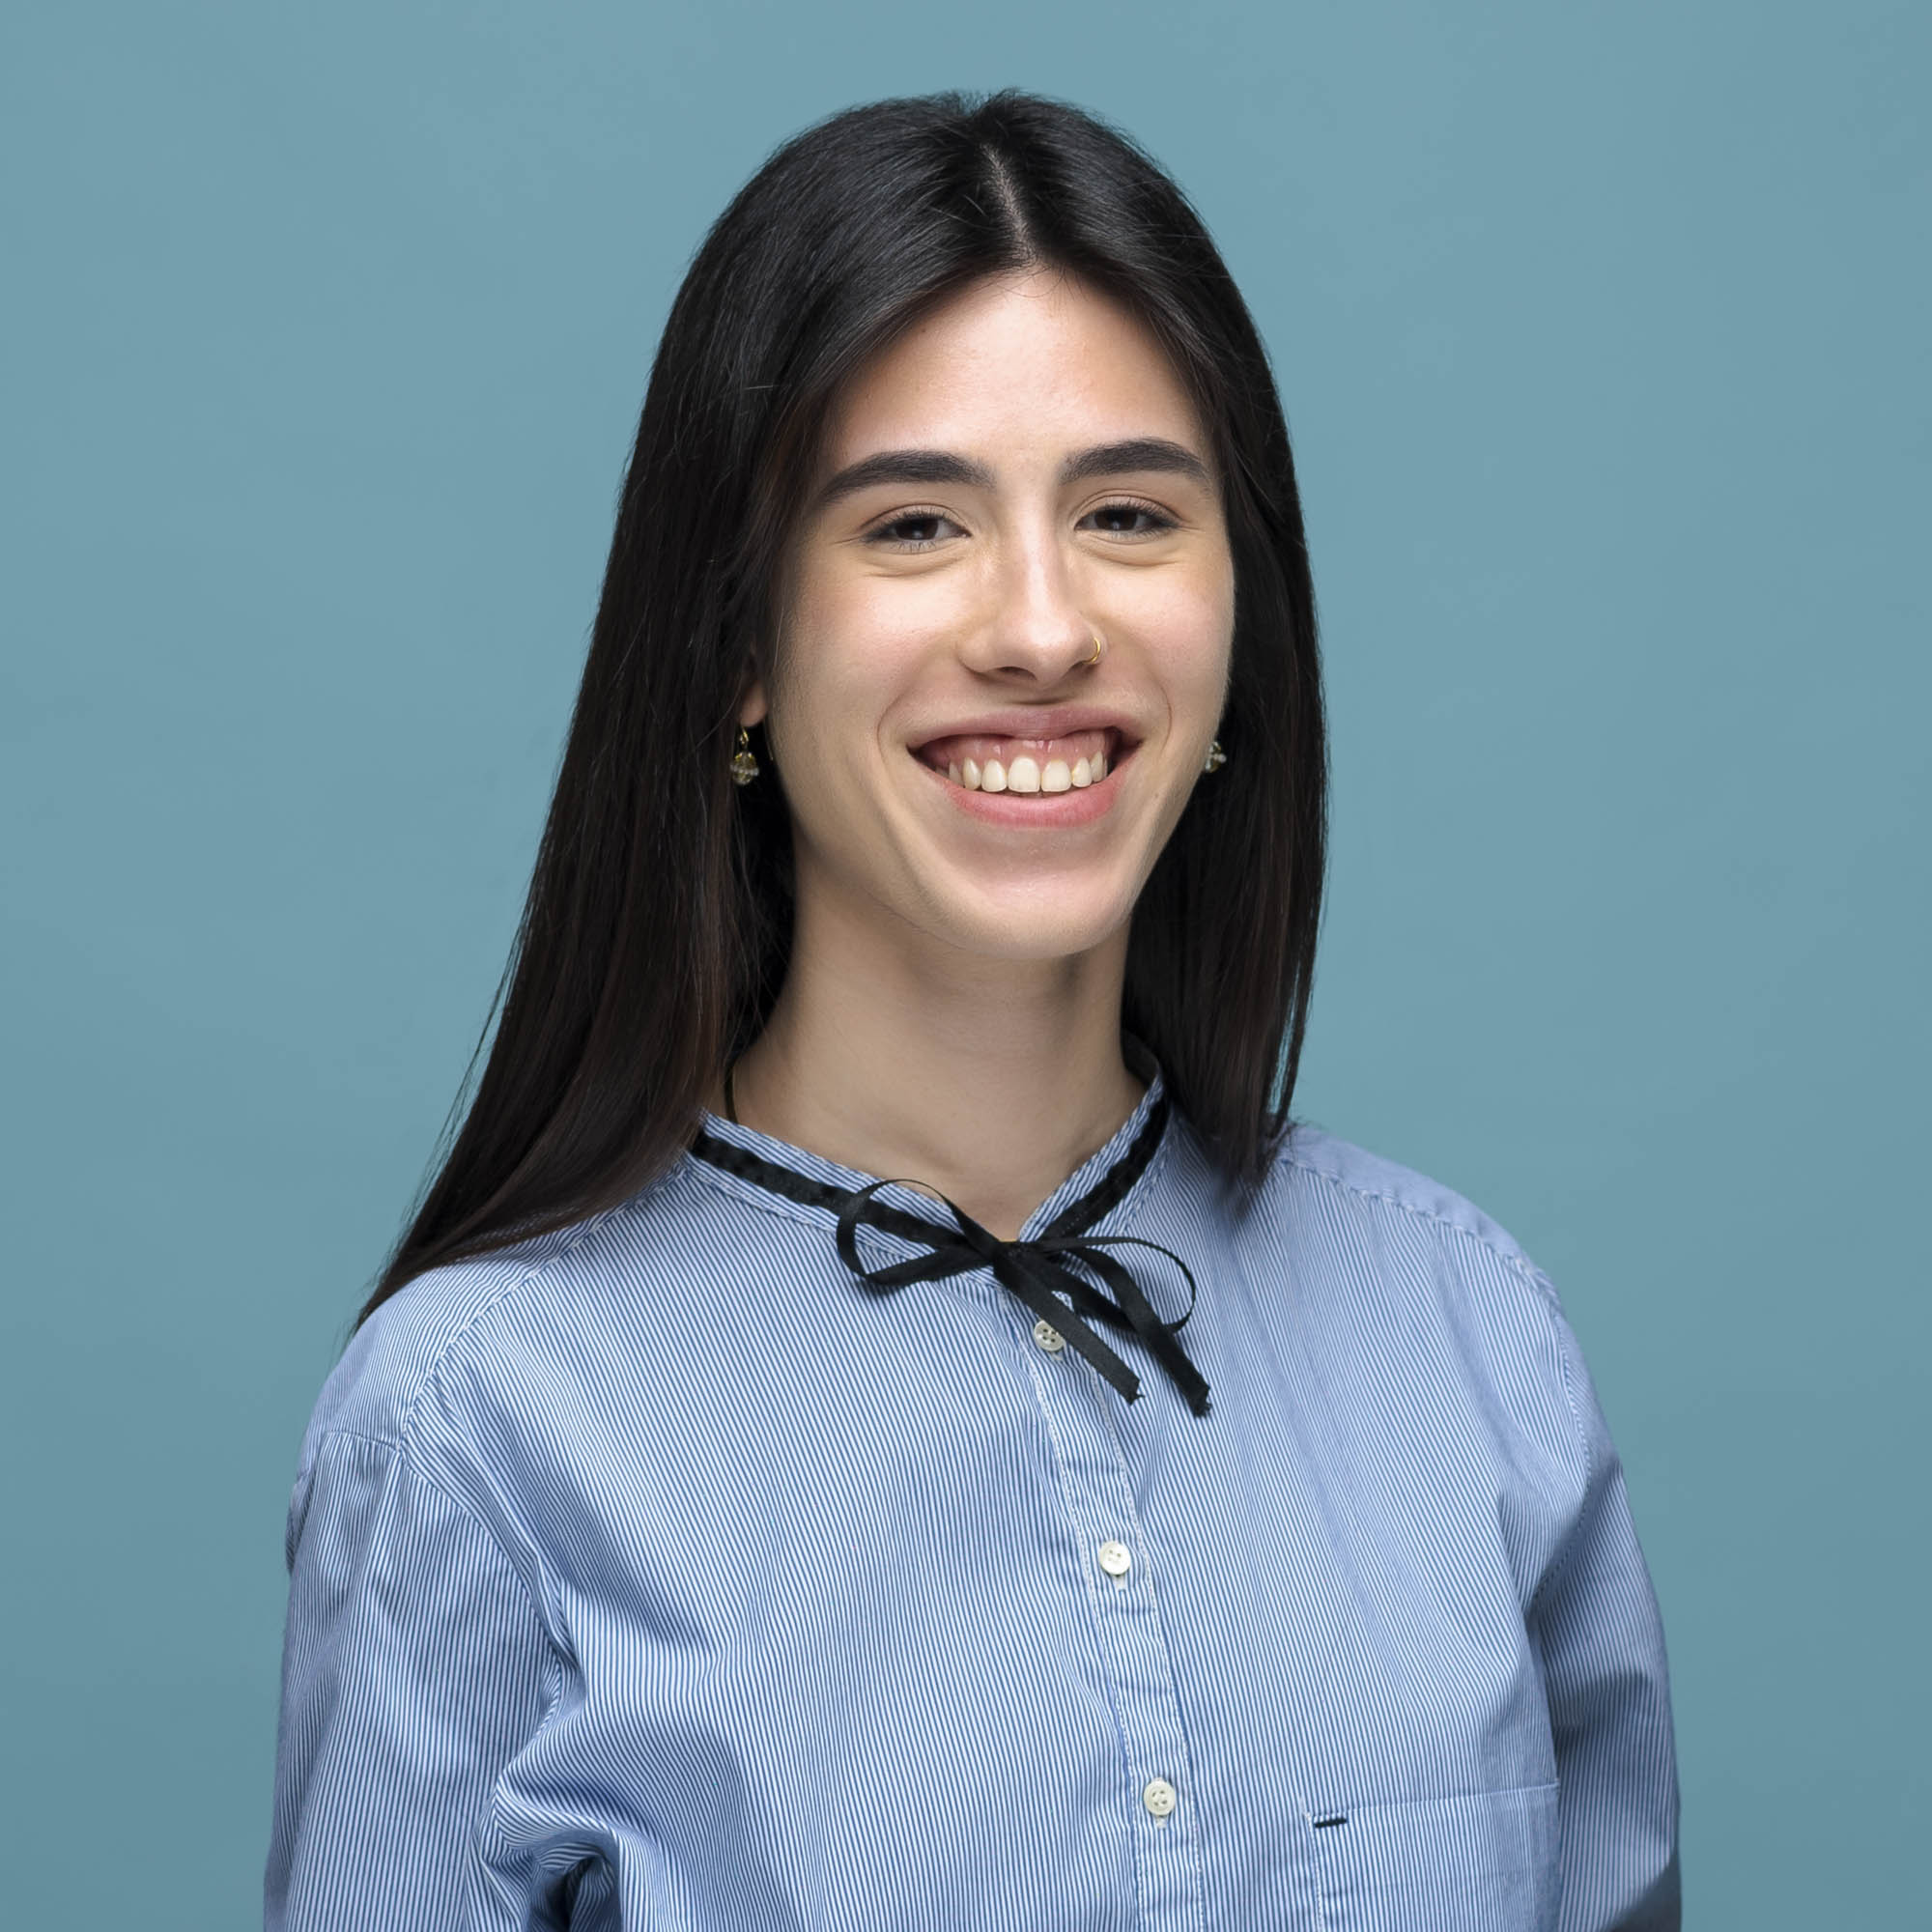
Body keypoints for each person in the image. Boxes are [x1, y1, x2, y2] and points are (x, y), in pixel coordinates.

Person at [264, 89, 1679, 1931]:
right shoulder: (478, 1428)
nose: (1040, 627)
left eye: (1128, 514)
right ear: (740, 645)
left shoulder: (1470, 1339)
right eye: (916, 523)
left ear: (1239, 618)